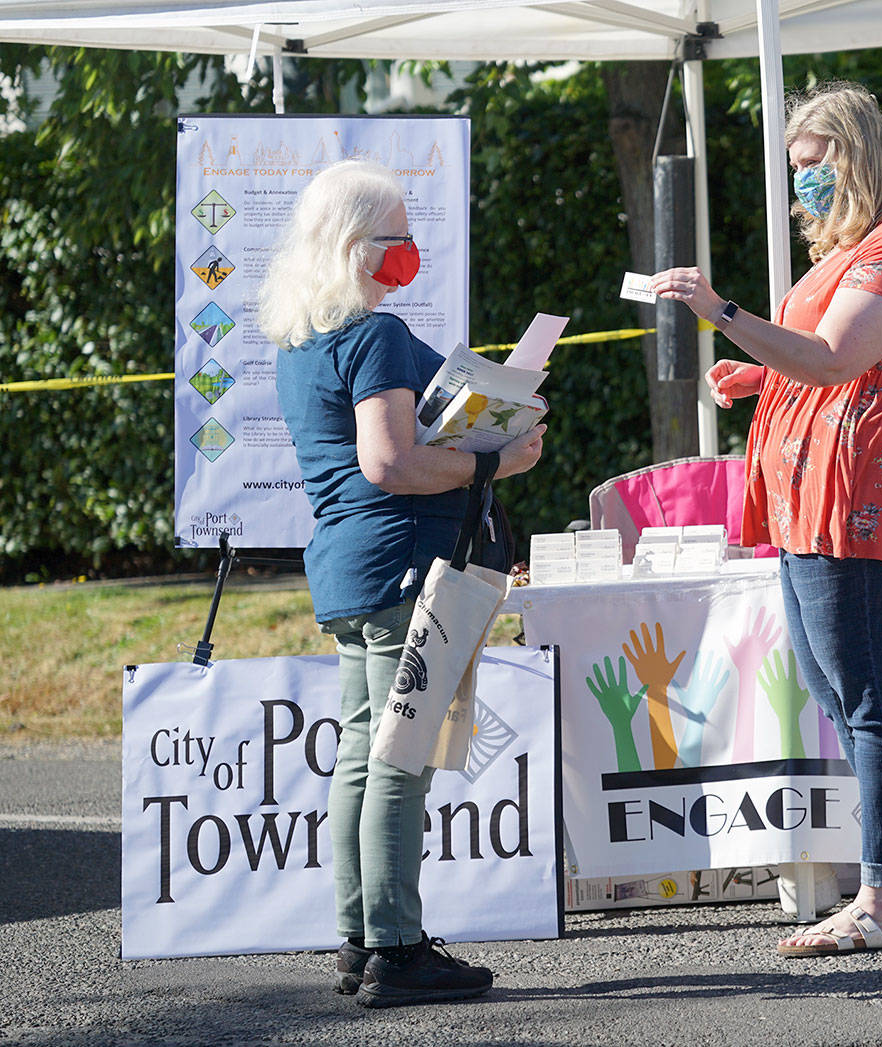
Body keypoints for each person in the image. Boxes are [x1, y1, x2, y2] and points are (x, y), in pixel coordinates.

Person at [649, 82, 882, 957]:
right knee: (843, 689)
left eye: (814, 165)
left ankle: (881, 901)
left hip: (857, 497)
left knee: (870, 697)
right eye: (797, 169)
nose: (805, 184)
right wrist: (755, 374)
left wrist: (721, 312)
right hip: (812, 499)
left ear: (855, 153)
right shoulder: (860, 246)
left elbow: (832, 360)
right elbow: (831, 356)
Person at [259, 159, 545, 1004]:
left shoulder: (302, 337)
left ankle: (360, 934)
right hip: (401, 566)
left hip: (353, 567)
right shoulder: (376, 335)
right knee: (399, 758)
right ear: (355, 246)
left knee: (361, 751)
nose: (412, 251)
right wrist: (492, 457)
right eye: (398, 238)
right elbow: (389, 460)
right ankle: (396, 944)